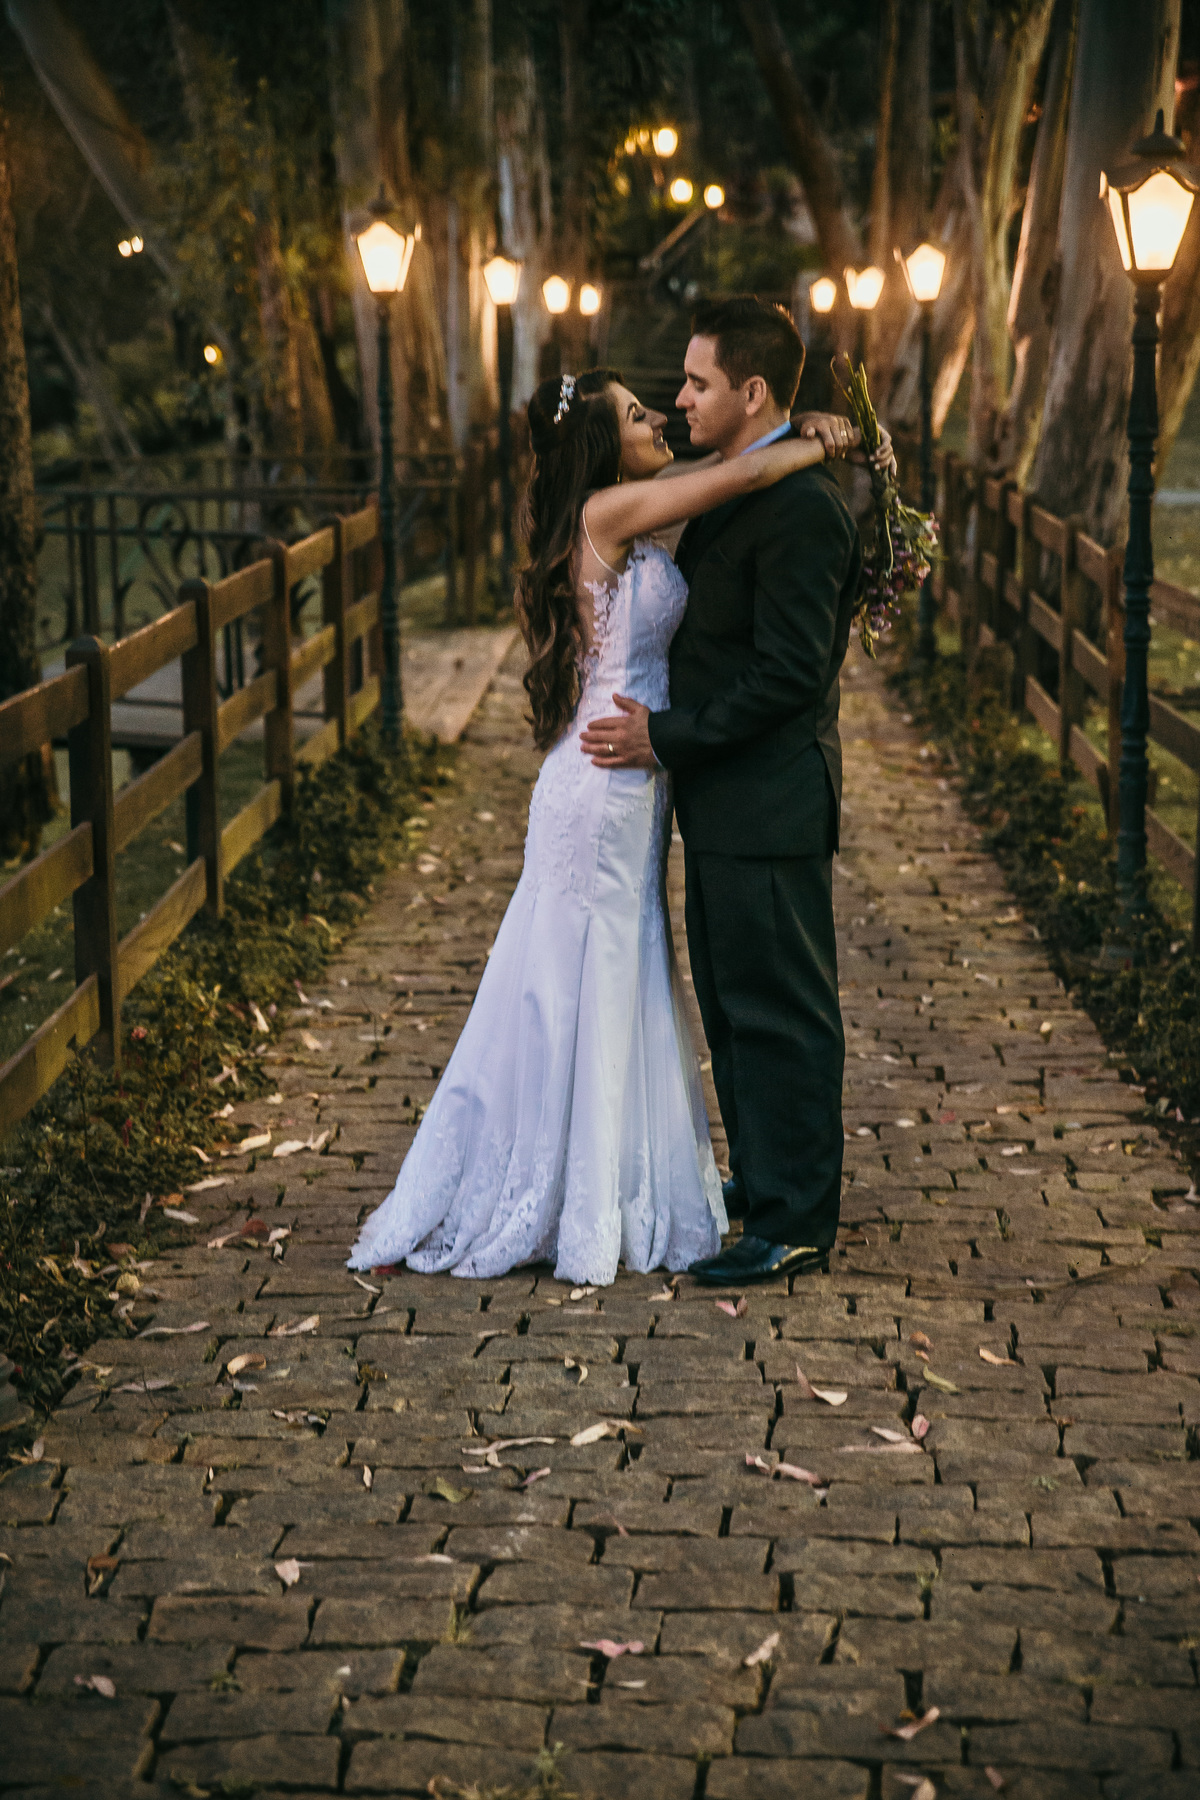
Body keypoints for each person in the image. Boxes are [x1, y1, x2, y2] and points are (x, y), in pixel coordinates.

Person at [347, 364, 871, 1285]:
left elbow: (740, 507)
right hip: (604, 780)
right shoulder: (609, 512)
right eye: (639, 413)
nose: (663, 413)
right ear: (604, 444)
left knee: (615, 967)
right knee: (576, 969)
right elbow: (744, 475)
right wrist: (825, 436)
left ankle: (610, 1167)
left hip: (631, 775)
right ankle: (561, 1180)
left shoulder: (633, 504)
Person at [580, 296, 884, 1286]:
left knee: (781, 1010)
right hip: (722, 807)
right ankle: (761, 1190)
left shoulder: (800, 511)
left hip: (770, 803)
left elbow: (792, 674)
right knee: (731, 1003)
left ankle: (795, 1219)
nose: (680, 398)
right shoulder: (740, 486)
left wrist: (665, 738)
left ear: (752, 391)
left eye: (698, 382)